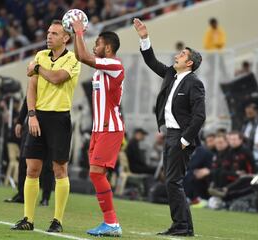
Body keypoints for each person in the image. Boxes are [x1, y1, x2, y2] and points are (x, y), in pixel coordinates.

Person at [133, 18, 205, 237]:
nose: (177, 56)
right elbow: (152, 61)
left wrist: (185, 140)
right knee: (172, 182)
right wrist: (144, 37)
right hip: (170, 136)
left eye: (182, 54)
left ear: (190, 63)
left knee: (173, 181)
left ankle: (182, 226)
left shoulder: (194, 83)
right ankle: (182, 226)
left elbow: (199, 116)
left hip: (180, 138)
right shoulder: (171, 74)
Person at [11, 20, 81, 232]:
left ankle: (57, 221)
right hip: (38, 117)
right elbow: (31, 88)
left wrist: (37, 69)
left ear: (65, 38)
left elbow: (58, 78)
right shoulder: (40, 55)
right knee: (32, 168)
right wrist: (31, 115)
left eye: (54, 34)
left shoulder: (73, 59)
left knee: (59, 169)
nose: (49, 36)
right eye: (48, 33)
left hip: (59, 118)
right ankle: (28, 219)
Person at [71, 18, 124, 237]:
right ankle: (110, 222)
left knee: (96, 173)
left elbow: (83, 56)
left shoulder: (115, 65)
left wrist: (79, 32)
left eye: (99, 43)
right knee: (95, 174)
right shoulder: (99, 71)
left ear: (108, 48)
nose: (95, 46)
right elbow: (79, 55)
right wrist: (77, 36)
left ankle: (111, 223)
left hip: (110, 128)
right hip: (98, 129)